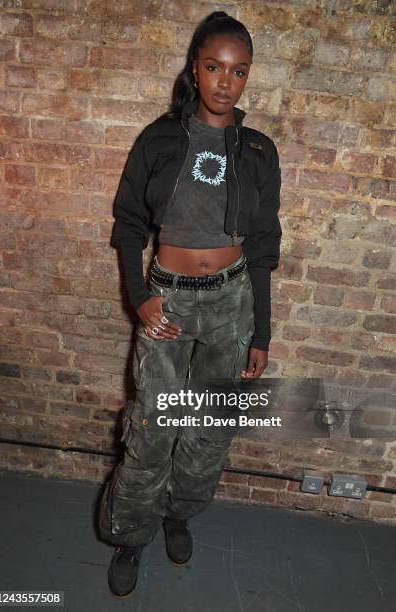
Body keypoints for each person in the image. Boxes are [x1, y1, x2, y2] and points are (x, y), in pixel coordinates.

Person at [98, 11, 282, 598]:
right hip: (169, 303)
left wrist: (262, 332)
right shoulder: (158, 139)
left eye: (239, 71)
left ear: (247, 78)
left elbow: (263, 245)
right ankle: (132, 532)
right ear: (195, 70)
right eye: (214, 67)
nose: (226, 82)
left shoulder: (257, 150)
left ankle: (179, 513)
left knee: (209, 428)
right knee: (153, 428)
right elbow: (128, 225)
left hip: (233, 302)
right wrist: (141, 296)